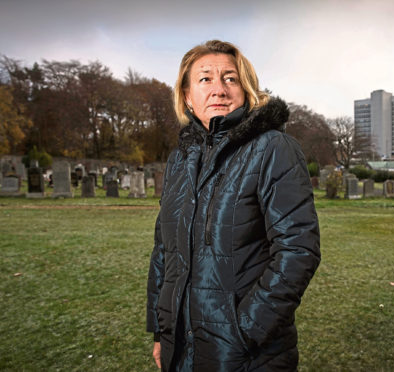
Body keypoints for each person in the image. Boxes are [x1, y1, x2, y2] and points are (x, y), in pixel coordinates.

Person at [146, 40, 320, 371]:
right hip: (180, 347)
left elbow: (298, 250)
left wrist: (244, 332)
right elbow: (163, 252)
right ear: (187, 96)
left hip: (246, 354)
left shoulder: (273, 148)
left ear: (246, 89)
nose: (219, 90)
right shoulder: (180, 160)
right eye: (205, 79)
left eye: (230, 78)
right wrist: (160, 330)